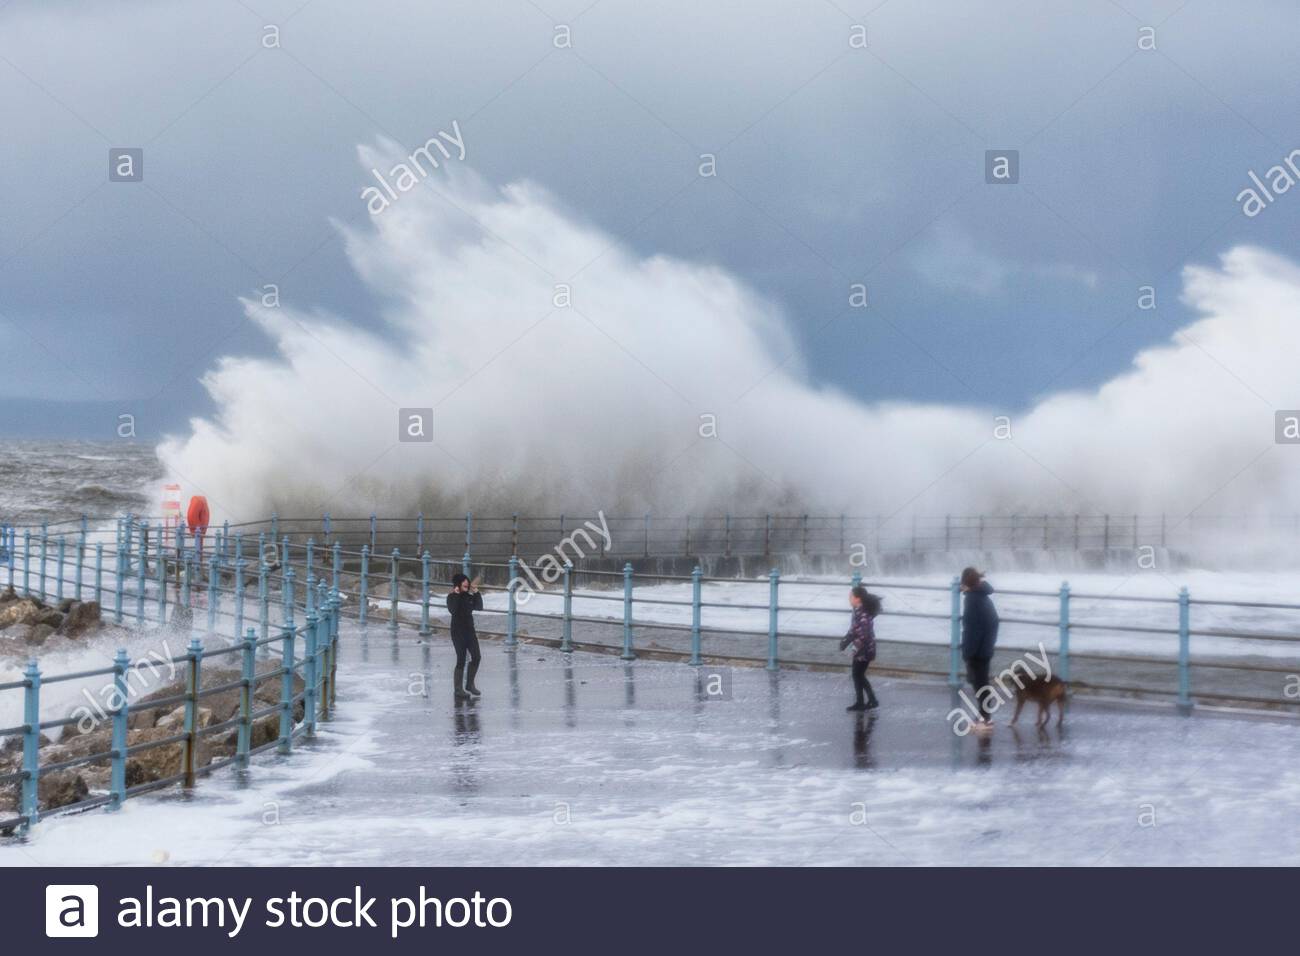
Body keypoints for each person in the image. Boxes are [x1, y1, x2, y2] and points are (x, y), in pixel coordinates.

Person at [960, 566, 999, 729]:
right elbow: (993, 622)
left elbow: (972, 628)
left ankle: (985, 718)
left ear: (966, 583)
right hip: (986, 647)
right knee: (980, 682)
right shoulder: (982, 595)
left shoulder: (971, 599)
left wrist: (968, 652)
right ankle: (984, 716)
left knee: (979, 684)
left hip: (976, 650)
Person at [839, 585, 881, 711]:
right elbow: (853, 630)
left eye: (851, 596)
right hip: (864, 649)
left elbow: (863, 634)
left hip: (864, 650)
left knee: (857, 675)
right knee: (859, 675)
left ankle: (863, 702)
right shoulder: (859, 611)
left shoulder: (862, 614)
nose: (849, 598)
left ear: (858, 599)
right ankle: (870, 701)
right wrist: (845, 641)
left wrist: (854, 649)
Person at [447, 573, 483, 701]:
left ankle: (469, 684)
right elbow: (453, 610)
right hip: (457, 632)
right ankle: (458, 689)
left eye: (467, 581)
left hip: (470, 631)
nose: (466, 583)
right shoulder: (451, 597)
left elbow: (479, 607)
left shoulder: (469, 597)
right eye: (463, 582)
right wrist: (456, 594)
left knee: (477, 657)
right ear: (457, 584)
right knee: (461, 659)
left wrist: (476, 592)